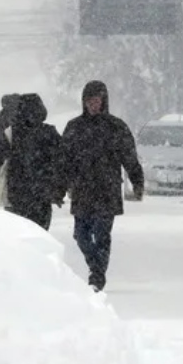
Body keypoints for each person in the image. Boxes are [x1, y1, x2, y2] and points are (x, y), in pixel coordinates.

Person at [61, 80, 144, 292]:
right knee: (80, 235)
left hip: (107, 190)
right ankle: (95, 266)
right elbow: (64, 160)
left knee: (102, 234)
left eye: (97, 100)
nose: (93, 105)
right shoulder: (74, 127)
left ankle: (97, 277)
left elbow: (129, 157)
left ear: (104, 101)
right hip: (82, 190)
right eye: (89, 100)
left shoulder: (116, 127)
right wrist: (60, 185)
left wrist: (137, 181)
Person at [3, 93, 67, 230]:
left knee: (22, 236)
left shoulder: (13, 132)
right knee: (40, 234)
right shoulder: (48, 132)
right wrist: (58, 189)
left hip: (19, 194)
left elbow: (5, 161)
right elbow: (61, 161)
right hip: (42, 193)